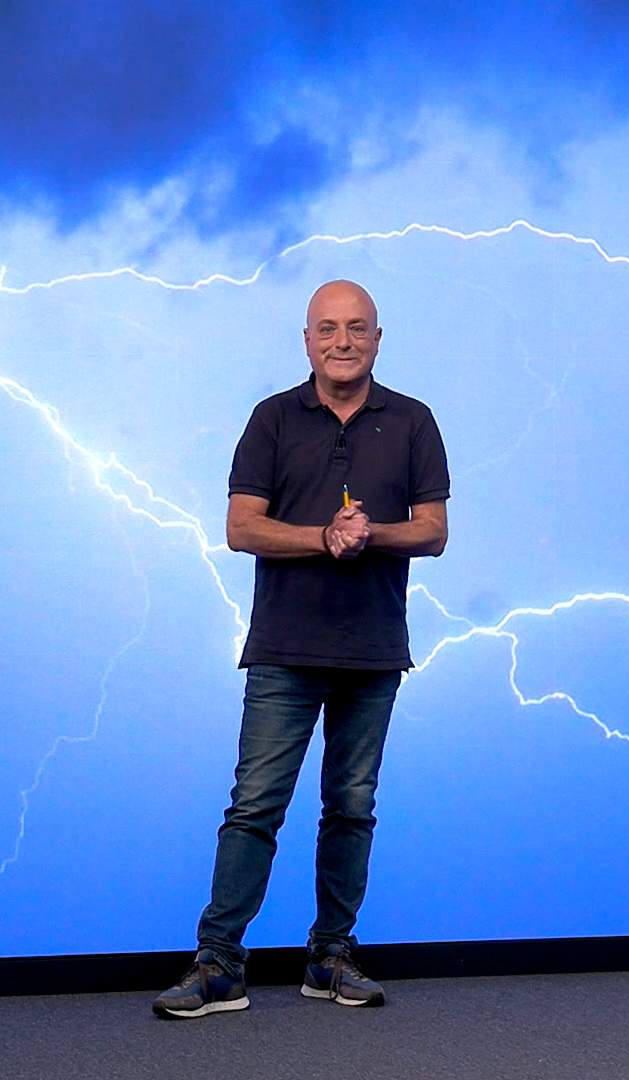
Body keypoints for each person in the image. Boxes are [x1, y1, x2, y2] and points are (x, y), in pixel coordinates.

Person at [152, 279, 450, 1018]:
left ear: (378, 338)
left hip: (374, 652)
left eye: (356, 328)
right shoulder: (273, 420)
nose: (342, 341)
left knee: (351, 807)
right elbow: (241, 526)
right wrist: (323, 536)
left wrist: (370, 532)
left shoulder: (412, 422)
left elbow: (434, 531)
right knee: (255, 804)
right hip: (284, 649)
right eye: (327, 329)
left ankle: (331, 956)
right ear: (307, 340)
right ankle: (219, 964)